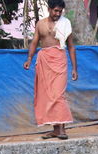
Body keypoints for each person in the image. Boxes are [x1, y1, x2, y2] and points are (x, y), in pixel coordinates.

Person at [23, 0, 77, 140]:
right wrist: (29, 58)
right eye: (55, 11)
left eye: (60, 11)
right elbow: (34, 41)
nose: (58, 14)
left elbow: (71, 46)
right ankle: (55, 130)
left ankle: (62, 130)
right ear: (49, 9)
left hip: (59, 60)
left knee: (58, 95)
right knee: (48, 95)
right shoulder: (40, 24)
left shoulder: (65, 23)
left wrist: (74, 68)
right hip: (44, 60)